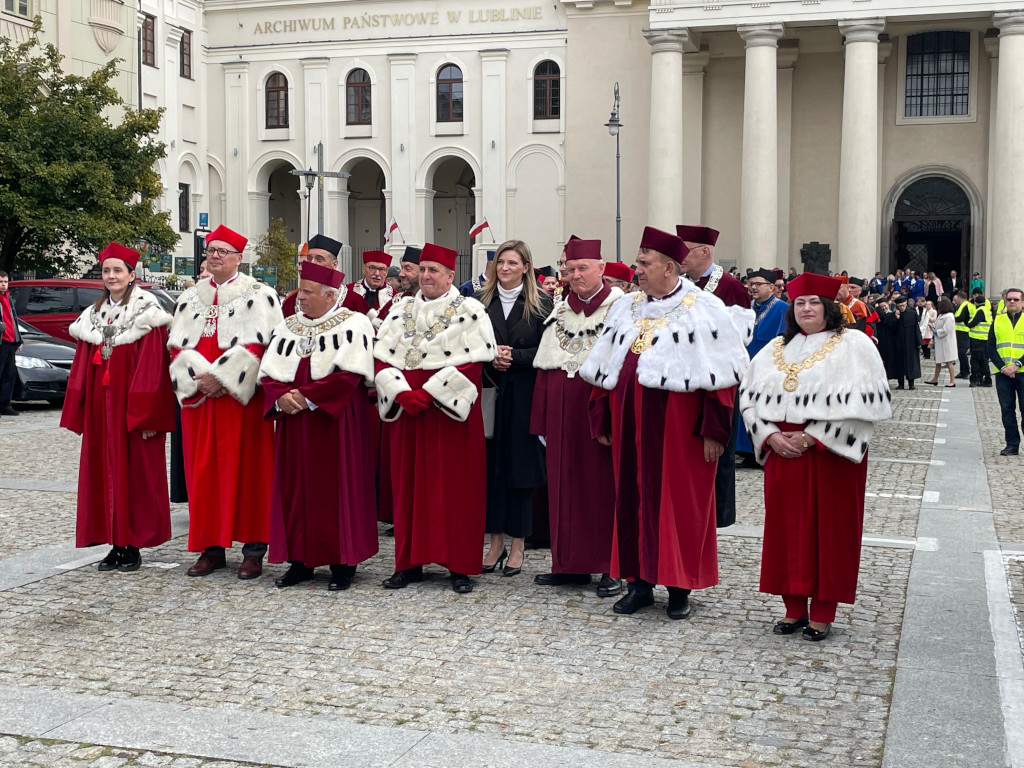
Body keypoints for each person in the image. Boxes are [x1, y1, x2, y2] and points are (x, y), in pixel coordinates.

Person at [581, 226, 753, 620]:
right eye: (638, 263)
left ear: (670, 268)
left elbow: (722, 378)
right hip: (629, 426)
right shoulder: (627, 307)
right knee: (632, 499)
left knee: (680, 505)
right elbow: (606, 366)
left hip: (680, 430)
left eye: (644, 263)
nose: (636, 270)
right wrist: (602, 416)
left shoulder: (704, 309)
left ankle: (679, 586)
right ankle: (640, 582)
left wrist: (715, 430)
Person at [740, 272, 890, 641]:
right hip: (782, 455)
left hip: (829, 457)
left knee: (830, 534)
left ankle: (822, 612)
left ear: (830, 307)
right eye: (800, 303)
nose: (807, 309)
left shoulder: (854, 344)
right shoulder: (776, 347)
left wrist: (812, 437)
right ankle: (793, 609)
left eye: (815, 303)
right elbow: (748, 399)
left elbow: (867, 406)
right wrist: (769, 435)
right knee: (786, 533)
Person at [373, 242, 497, 594]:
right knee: (408, 488)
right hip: (407, 413)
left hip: (449, 415)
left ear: (449, 275)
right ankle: (409, 563)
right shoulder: (400, 309)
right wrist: (400, 393)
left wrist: (428, 394)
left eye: (433, 270)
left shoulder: (469, 310)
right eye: (422, 269)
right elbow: (382, 357)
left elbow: (473, 364)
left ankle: (459, 565)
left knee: (456, 489)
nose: (426, 276)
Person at [168, 224, 283, 579]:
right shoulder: (190, 296)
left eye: (222, 251)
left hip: (241, 401)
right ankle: (211, 548)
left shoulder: (259, 293)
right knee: (204, 474)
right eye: (211, 250)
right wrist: (200, 379)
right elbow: (176, 344)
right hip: (199, 400)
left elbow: (264, 343)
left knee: (250, 472)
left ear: (238, 257)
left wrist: (223, 377)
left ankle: (253, 550)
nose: (214, 256)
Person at [259, 261, 378, 590]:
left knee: (337, 489)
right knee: (295, 489)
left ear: (329, 295)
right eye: (300, 292)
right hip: (294, 424)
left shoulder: (353, 324)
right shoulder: (288, 326)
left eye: (308, 293)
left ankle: (343, 563)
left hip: (334, 422)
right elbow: (269, 371)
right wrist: (280, 396)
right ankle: (300, 561)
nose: (301, 299)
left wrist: (307, 397)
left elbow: (350, 374)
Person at [60, 243, 176, 572]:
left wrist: (148, 414)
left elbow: (154, 368)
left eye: (117, 271)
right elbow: (82, 365)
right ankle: (114, 543)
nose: (111, 276)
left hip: (131, 409)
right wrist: (80, 406)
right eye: (106, 271)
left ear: (131, 275)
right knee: (104, 474)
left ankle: (133, 545)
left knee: (135, 475)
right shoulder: (94, 314)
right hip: (102, 410)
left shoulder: (146, 312)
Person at [530, 238, 623, 596]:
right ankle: (569, 564)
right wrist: (540, 419)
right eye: (571, 268)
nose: (576, 274)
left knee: (603, 488)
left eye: (584, 267)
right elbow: (545, 365)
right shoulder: (559, 308)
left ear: (602, 268)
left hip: (599, 412)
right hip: (560, 414)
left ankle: (609, 567)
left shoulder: (621, 309)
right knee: (562, 486)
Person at [476, 240, 553, 577]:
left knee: (521, 471)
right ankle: (495, 542)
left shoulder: (541, 304)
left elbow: (549, 350)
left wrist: (516, 356)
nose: (504, 268)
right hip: (491, 393)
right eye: (500, 263)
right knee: (491, 470)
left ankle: (519, 542)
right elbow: (468, 342)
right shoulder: (480, 302)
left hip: (525, 394)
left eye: (512, 263)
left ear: (526, 267)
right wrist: (490, 356)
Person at [676, 224, 750, 529]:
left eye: (685, 250)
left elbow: (735, 341)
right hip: (684, 384)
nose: (679, 257)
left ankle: (717, 517)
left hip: (719, 381)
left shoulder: (730, 287)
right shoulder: (681, 284)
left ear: (705, 252)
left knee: (717, 454)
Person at [736, 268, 788, 469]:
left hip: (767, 370)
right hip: (744, 367)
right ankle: (744, 450)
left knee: (761, 409)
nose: (753, 287)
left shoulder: (782, 309)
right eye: (751, 284)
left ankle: (761, 448)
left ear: (772, 287)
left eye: (759, 284)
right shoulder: (746, 307)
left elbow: (781, 340)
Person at [282, 235, 370, 317]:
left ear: (334, 264)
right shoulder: (290, 302)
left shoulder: (354, 301)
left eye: (319, 259)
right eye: (309, 259)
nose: (312, 263)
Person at [988, 288, 1024, 456]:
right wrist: (1003, 367)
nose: (1012, 302)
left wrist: (1017, 364)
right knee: (1007, 410)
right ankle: (1012, 444)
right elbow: (991, 347)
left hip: (1022, 372)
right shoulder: (998, 320)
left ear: (1022, 302)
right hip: (1003, 374)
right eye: (1009, 299)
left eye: (1016, 299)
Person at [879, 294, 921, 389]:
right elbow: (889, 328)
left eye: (903, 305)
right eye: (900, 306)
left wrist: (919, 342)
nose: (902, 308)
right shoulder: (893, 315)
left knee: (911, 362)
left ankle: (911, 383)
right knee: (899, 363)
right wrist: (896, 318)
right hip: (898, 342)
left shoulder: (912, 313)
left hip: (910, 342)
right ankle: (900, 383)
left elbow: (916, 328)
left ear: (906, 304)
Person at [0, 270, 23, 417]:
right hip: (1, 341)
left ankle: (5, 404)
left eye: (5, 282)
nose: (3, 285)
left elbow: (13, 320)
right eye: (1, 282)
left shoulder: (8, 298)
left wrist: (18, 339)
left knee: (10, 374)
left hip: (10, 341)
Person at [348, 250, 395, 322]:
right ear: (364, 269)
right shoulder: (348, 291)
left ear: (386, 272)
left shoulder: (395, 297)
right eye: (372, 268)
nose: (377, 273)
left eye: (382, 269)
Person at [923, 297, 957, 388]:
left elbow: (946, 330)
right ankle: (935, 379)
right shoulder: (941, 315)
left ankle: (952, 381)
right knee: (938, 361)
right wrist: (934, 329)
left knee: (948, 361)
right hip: (940, 341)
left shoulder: (949, 316)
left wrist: (936, 332)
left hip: (947, 342)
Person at [967, 292, 993, 387]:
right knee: (983, 360)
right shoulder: (987, 310)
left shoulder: (980, 311)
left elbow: (972, 323)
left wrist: (968, 323)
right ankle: (985, 379)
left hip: (978, 339)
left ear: (976, 303)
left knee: (975, 360)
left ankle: (975, 379)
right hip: (985, 339)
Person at [952, 291, 973, 379]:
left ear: (960, 298)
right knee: (960, 353)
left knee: (962, 352)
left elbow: (961, 317)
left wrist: (952, 318)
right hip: (959, 331)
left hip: (964, 331)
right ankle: (962, 371)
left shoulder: (966, 305)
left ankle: (966, 371)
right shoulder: (961, 305)